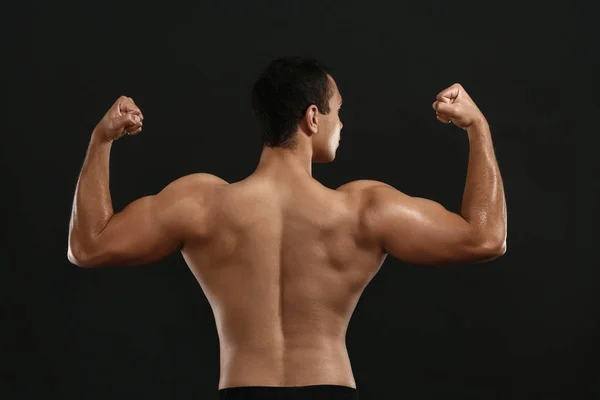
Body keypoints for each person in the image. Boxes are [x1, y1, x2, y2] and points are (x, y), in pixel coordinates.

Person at [67, 57, 507, 400]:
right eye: (338, 113)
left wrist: (100, 141)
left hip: (242, 391)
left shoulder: (200, 204)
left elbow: (87, 247)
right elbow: (485, 238)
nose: (342, 125)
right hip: (330, 389)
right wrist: (479, 128)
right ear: (312, 117)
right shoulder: (362, 209)